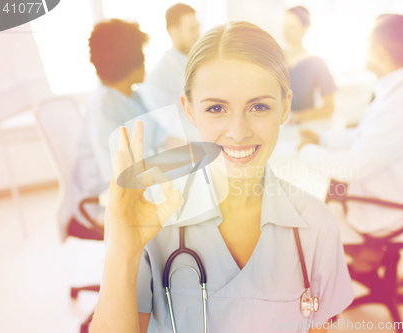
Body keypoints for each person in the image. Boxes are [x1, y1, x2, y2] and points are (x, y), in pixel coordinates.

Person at [89, 21, 353, 333]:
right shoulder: (151, 221)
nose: (239, 133)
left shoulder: (317, 225)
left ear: (284, 109)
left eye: (259, 106)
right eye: (216, 108)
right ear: (189, 111)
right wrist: (123, 255)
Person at [297, 15, 403, 265]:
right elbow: (368, 135)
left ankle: (362, 256)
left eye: (366, 45)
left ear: (378, 52)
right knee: (331, 188)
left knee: (312, 207)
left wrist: (305, 151)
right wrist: (323, 138)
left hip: (392, 207)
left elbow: (352, 167)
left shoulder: (398, 105)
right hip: (397, 187)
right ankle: (368, 258)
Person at [71, 19, 182, 234]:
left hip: (139, 183)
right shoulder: (103, 111)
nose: (145, 61)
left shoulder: (132, 95)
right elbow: (118, 176)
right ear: (127, 61)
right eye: (141, 55)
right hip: (105, 201)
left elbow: (160, 135)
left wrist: (199, 150)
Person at [140, 3, 200, 141]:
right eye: (191, 29)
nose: (197, 34)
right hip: (188, 150)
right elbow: (174, 125)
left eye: (198, 28)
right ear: (173, 32)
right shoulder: (158, 76)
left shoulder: (203, 64)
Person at [283, 6, 337, 123]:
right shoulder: (273, 59)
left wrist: (299, 116)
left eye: (291, 27)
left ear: (305, 28)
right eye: (284, 26)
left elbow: (329, 107)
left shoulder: (317, 63)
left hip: (301, 127)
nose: (285, 31)